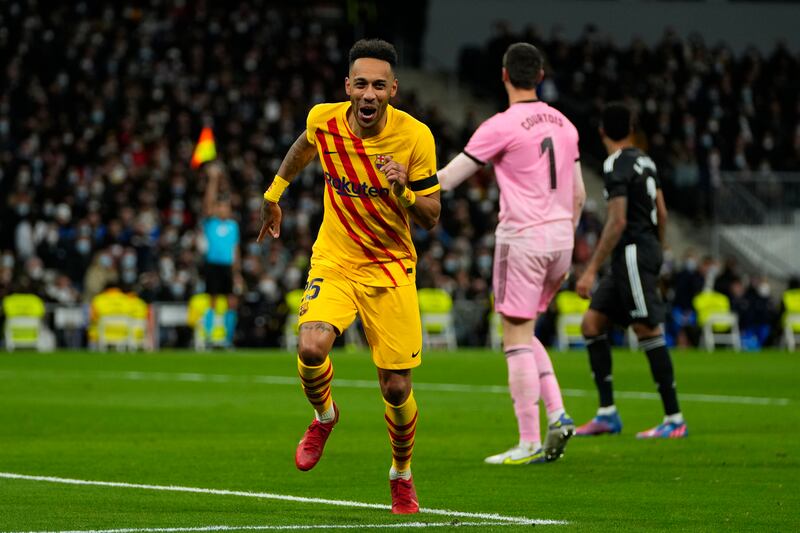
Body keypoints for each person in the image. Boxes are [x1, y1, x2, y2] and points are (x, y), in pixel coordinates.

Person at [257, 39, 440, 514]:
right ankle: (324, 416)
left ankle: (401, 473)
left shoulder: (415, 137)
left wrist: (401, 191)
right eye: (361, 84)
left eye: (379, 85)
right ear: (348, 87)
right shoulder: (325, 119)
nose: (369, 93)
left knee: (396, 389)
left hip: (390, 269)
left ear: (393, 90)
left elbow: (432, 215)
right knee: (310, 345)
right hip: (335, 260)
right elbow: (304, 144)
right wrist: (275, 191)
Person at [437, 42, 585, 465]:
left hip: (523, 239)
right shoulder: (566, 124)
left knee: (514, 337)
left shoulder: (500, 125)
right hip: (562, 241)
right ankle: (558, 413)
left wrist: (405, 183)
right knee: (527, 331)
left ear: (504, 75)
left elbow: (449, 180)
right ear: (540, 76)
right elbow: (579, 194)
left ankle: (529, 441)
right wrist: (565, 238)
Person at [574, 102, 687, 439]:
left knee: (646, 328)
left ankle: (674, 418)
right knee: (591, 324)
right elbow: (662, 212)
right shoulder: (645, 160)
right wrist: (659, 248)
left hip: (634, 251)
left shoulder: (615, 163)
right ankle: (607, 414)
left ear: (602, 131)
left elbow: (618, 219)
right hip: (640, 250)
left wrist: (591, 269)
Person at [201, 162, 241, 347]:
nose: (224, 209)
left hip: (227, 267)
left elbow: (236, 250)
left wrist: (237, 272)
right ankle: (209, 336)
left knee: (232, 302)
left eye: (226, 207)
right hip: (213, 265)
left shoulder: (233, 226)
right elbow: (208, 203)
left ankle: (227, 338)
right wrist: (213, 179)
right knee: (213, 301)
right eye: (221, 207)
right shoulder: (211, 223)